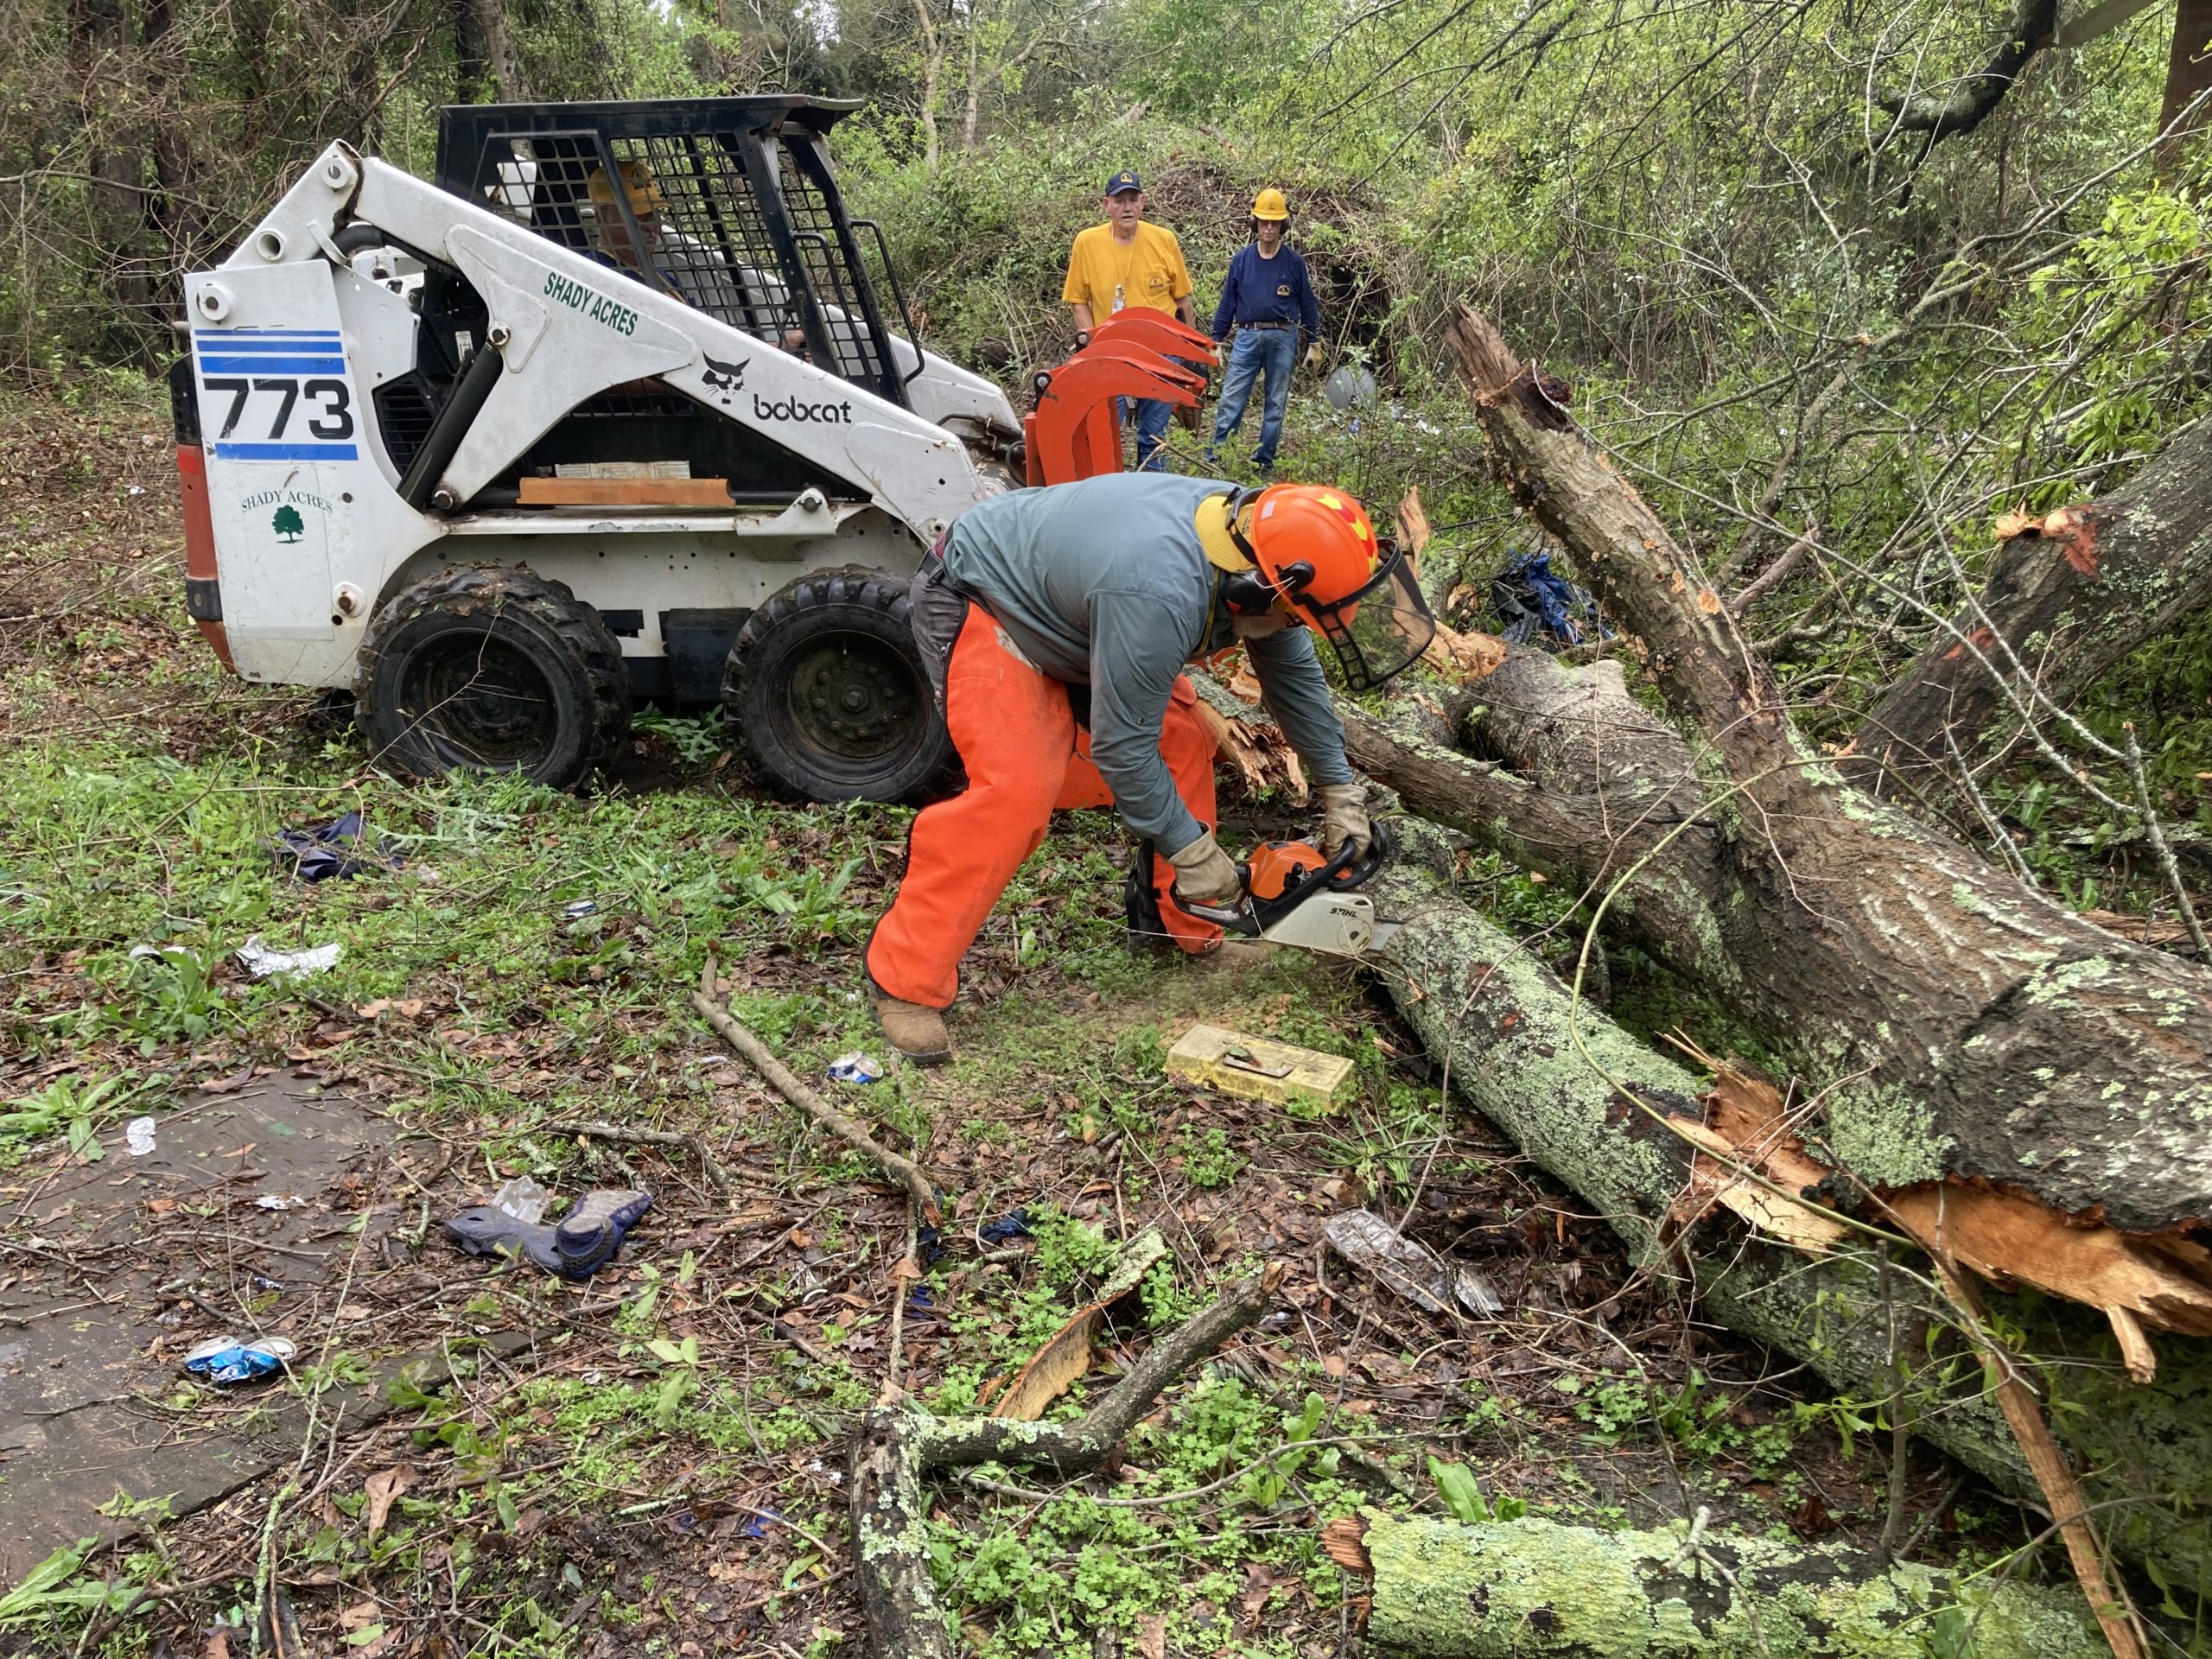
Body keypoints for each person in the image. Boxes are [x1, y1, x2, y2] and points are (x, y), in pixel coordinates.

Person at [861, 474, 1439, 1065]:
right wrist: (1191, 849)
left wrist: (1339, 787)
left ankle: (1186, 922)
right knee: (1017, 791)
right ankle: (906, 980)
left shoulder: (1266, 541)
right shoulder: (1159, 590)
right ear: (1259, 592)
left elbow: (1292, 675)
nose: (1293, 629)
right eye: (1290, 617)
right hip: (989, 602)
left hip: (1085, 609)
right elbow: (1122, 748)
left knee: (1182, 740)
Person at [1062, 169, 1198, 472]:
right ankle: (1107, 488)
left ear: (1142, 203)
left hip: (1161, 353)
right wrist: (1089, 343)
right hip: (1110, 353)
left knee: (1153, 434)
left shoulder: (1163, 240)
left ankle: (1150, 492)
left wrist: (1192, 356)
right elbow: (1077, 301)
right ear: (1106, 204)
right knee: (1105, 430)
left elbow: (1182, 301)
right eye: (1119, 200)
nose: (1127, 207)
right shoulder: (1087, 242)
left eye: (1132, 200)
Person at [1207, 188, 1322, 474]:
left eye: (1274, 222)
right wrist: (1216, 340)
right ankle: (1218, 460)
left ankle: (1264, 464)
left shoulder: (1294, 263)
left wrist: (1314, 341)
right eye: (1263, 221)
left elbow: (1307, 302)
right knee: (1231, 400)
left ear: (1283, 225)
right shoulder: (1241, 261)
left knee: (1275, 403)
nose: (1269, 228)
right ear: (1255, 223)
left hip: (1283, 337)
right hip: (1246, 336)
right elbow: (1227, 303)